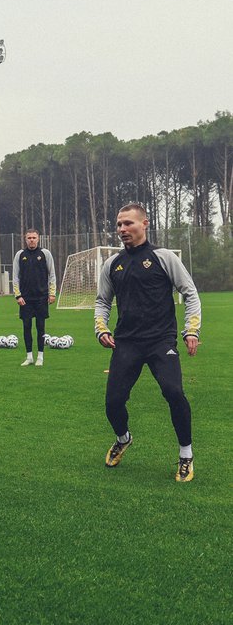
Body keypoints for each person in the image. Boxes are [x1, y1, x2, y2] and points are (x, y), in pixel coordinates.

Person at [95, 203, 201, 482]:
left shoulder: (163, 257)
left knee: (174, 392)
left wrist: (192, 330)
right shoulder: (112, 264)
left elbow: (190, 293)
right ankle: (123, 438)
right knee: (113, 403)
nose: (122, 229)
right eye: (119, 224)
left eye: (128, 223)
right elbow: (102, 302)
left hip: (160, 340)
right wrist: (101, 327)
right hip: (126, 342)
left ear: (145, 224)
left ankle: (186, 455)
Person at [12, 229, 56, 367]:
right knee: (26, 327)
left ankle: (40, 357)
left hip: (41, 297)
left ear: (38, 239)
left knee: (40, 327)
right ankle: (29, 356)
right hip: (25, 299)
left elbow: (52, 275)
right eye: (29, 238)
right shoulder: (20, 255)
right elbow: (15, 277)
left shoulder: (45, 253)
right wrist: (17, 295)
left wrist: (52, 293)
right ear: (25, 239)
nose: (31, 240)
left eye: (34, 237)